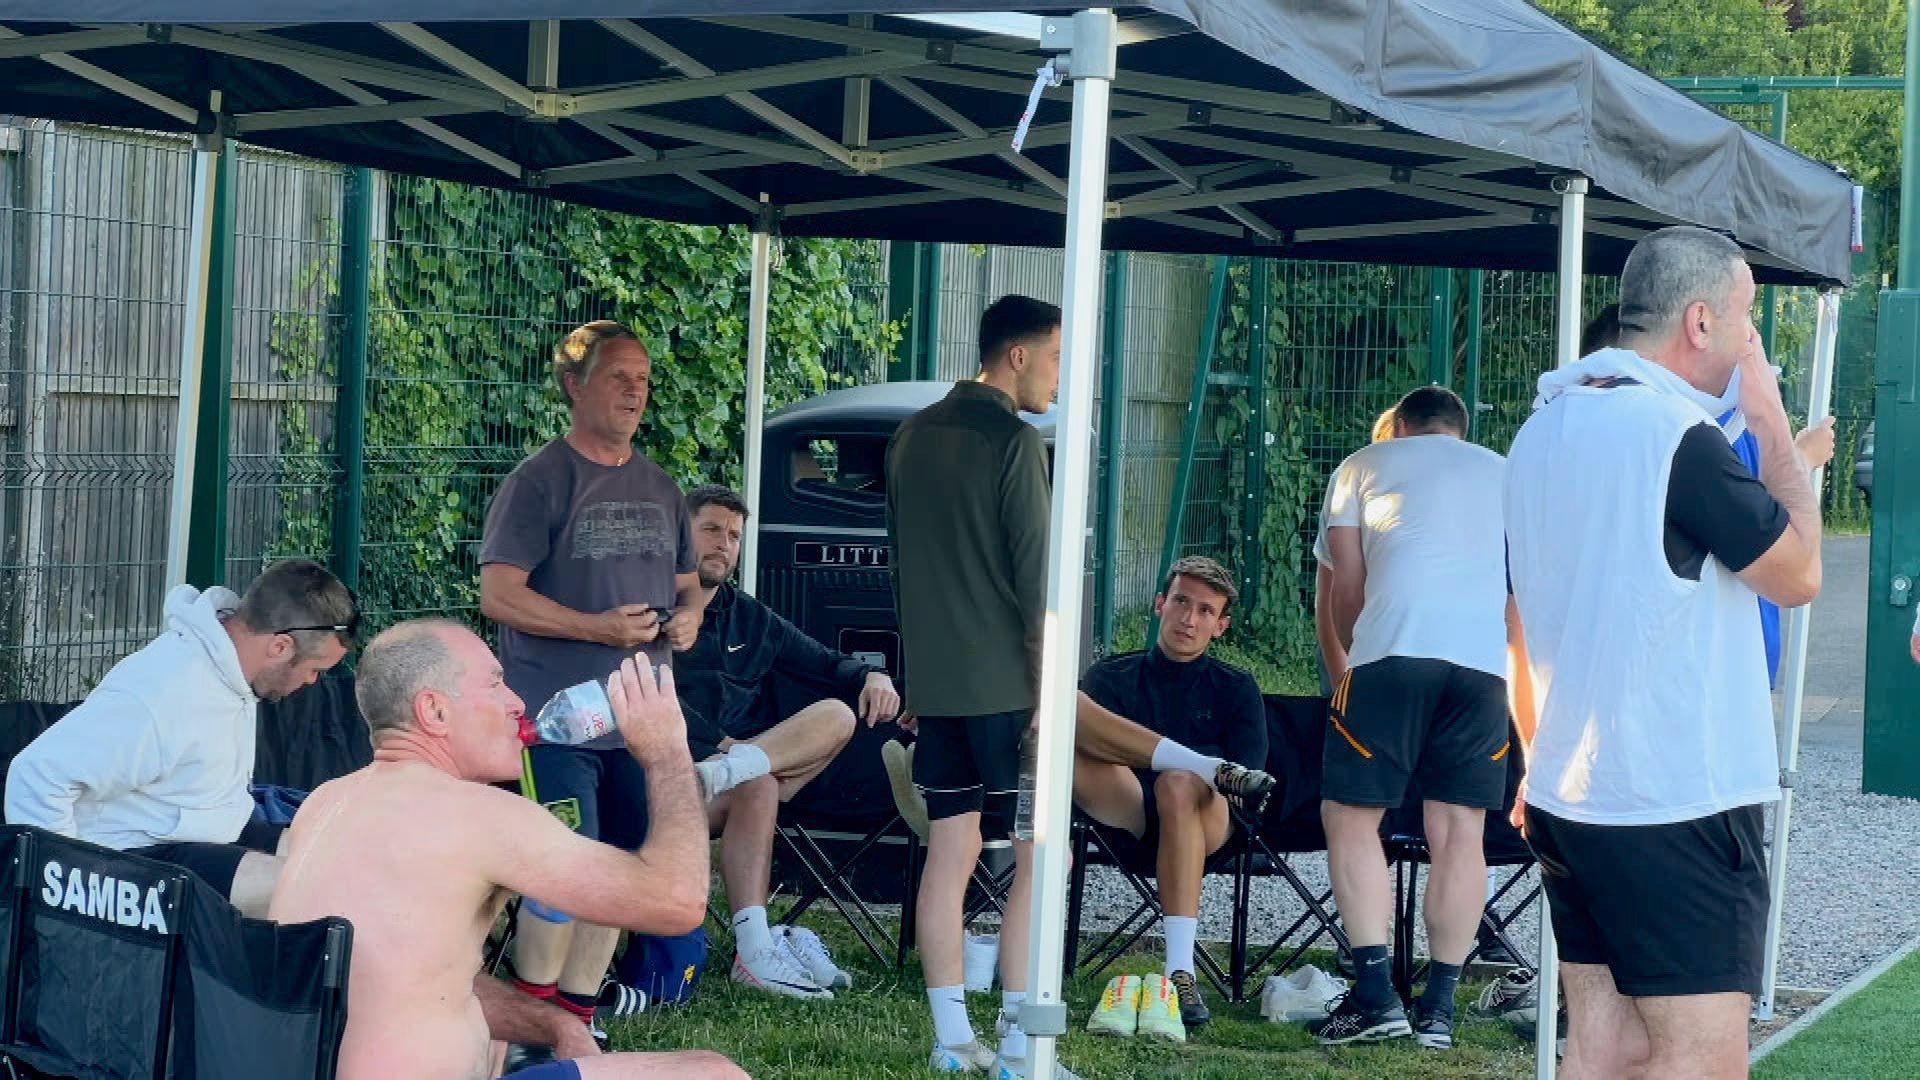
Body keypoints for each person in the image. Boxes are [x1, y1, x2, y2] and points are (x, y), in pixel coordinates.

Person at [1507, 226, 1823, 1079]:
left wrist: (1536, 759)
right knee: (1701, 1058)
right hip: (1674, 797)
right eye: (1747, 318)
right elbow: (1798, 574)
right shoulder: (1678, 438)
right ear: (1700, 322)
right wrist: (1772, 425)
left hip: (1573, 792)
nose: (1752, 341)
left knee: (1602, 1048)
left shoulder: (1540, 430)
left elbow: (1519, 621)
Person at [267, 620, 741, 1080]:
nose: (518, 702)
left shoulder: (326, 802)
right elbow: (678, 902)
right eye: (495, 685)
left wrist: (555, 1025)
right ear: (434, 711)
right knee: (715, 1074)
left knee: (498, 1049)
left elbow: (413, 976)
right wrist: (667, 753)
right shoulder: (478, 814)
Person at [479, 320, 709, 1033]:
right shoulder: (538, 481)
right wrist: (598, 628)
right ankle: (529, 1024)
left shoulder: (662, 486)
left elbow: (690, 585)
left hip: (643, 721)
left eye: (643, 381)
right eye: (619, 377)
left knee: (629, 865)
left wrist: (690, 618)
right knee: (562, 869)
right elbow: (499, 595)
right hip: (555, 719)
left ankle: (580, 1018)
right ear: (575, 386)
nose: (636, 392)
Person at [886, 293, 1070, 1078]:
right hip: (1008, 688)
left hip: (938, 685)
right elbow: (1038, 587)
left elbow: (901, 564)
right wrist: (1048, 696)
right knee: (1039, 858)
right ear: (1017, 356)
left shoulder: (908, 435)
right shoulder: (1016, 442)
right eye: (1057, 358)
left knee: (950, 850)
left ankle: (949, 1037)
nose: (1062, 378)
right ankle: (1021, 1047)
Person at [1307, 385, 1522, 1050]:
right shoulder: (1504, 472)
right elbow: (1520, 592)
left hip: (1391, 653)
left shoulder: (1363, 465)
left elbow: (1345, 582)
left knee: (1350, 816)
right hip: (1483, 669)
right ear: (1459, 428)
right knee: (1460, 830)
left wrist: (1356, 656)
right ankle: (1440, 1010)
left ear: (1400, 426)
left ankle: (1374, 995)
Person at [5, 559, 355, 917]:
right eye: (315, 669)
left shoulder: (232, 669)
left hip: (207, 831)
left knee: (339, 860)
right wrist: (66, 900)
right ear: (279, 647)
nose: (313, 682)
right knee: (306, 889)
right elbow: (35, 775)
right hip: (133, 858)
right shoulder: (163, 691)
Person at [673, 483, 903, 999]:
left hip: (735, 774)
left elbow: (826, 662)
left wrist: (874, 676)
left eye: (733, 535)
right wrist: (720, 745)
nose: (723, 544)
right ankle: (756, 951)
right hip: (675, 778)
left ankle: (760, 946)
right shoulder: (651, 610)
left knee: (838, 716)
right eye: (710, 529)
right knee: (758, 783)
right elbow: (645, 693)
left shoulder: (748, 616)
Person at [1581, 303, 1836, 688]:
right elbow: (1793, 568)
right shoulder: (1690, 431)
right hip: (1696, 671)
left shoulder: (1557, 436)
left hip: (1715, 660)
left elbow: (1744, 513)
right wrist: (1797, 453)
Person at [1073, 555, 1275, 1032]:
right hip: (1128, 812)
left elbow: (1250, 787)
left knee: (1180, 783)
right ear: (1159, 604)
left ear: (1220, 626)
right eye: (1181, 602)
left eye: (1206, 611)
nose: (1189, 618)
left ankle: (1179, 971)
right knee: (1064, 727)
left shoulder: (1236, 687)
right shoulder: (1110, 676)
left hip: (1204, 824)